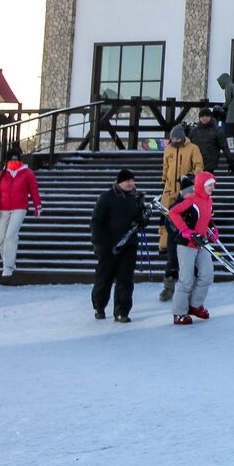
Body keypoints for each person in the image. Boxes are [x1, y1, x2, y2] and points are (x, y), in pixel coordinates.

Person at [89, 169, 147, 322]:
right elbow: (96, 221)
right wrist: (97, 242)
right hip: (108, 245)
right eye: (127, 181)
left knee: (125, 279)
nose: (130, 183)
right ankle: (99, 306)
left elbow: (141, 220)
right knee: (104, 277)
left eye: (132, 180)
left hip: (129, 245)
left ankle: (122, 311)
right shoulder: (106, 197)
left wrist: (143, 220)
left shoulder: (136, 198)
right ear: (119, 182)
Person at [158, 124, 203, 299]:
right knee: (166, 221)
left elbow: (199, 165)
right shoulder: (168, 150)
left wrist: (192, 176)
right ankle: (163, 244)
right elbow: (165, 167)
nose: (175, 142)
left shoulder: (193, 148)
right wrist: (164, 181)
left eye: (177, 139)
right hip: (170, 191)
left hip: (186, 190)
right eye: (173, 139)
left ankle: (190, 284)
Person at [167, 171, 217, 325]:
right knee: (186, 279)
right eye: (209, 185)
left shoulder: (209, 200)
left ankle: (195, 305)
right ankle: (179, 312)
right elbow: (173, 212)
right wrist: (185, 230)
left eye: (213, 185)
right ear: (201, 185)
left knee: (207, 275)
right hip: (186, 244)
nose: (212, 188)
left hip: (201, 244)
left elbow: (206, 218)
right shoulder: (191, 200)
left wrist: (213, 229)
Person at [0, 149, 41, 278]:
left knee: (10, 235)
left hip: (20, 208)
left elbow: (34, 190)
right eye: (11, 159)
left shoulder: (27, 173)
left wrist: (37, 205)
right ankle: (8, 261)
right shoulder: (2, 174)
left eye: (16, 159)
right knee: (1, 237)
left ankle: (8, 266)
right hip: (4, 208)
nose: (13, 161)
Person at [159, 172, 195, 301]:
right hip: (175, 240)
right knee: (173, 263)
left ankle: (189, 290)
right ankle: (168, 288)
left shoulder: (194, 203)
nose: (191, 194)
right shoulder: (175, 205)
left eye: (192, 191)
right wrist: (179, 231)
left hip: (190, 241)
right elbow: (168, 222)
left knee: (189, 266)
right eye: (188, 192)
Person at [188, 106, 234, 175]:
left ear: (210, 117)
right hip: (196, 163)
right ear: (199, 118)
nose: (204, 118)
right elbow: (188, 147)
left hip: (210, 164)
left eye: (207, 116)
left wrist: (231, 161)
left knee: (208, 183)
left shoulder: (217, 131)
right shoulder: (193, 131)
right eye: (202, 116)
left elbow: (224, 147)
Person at [217, 73, 234, 147]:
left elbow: (228, 99)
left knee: (229, 129)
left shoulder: (228, 87)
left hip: (232, 111)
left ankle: (230, 145)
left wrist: (223, 107)